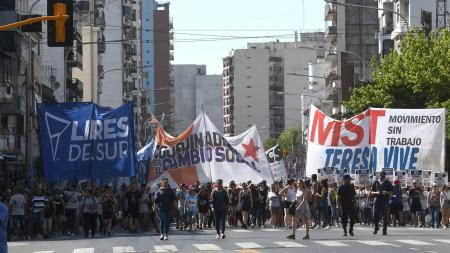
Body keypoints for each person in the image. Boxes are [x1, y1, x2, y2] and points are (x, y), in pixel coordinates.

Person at [370, 171, 393, 235]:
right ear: (379, 175)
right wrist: (377, 193)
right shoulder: (376, 182)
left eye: (383, 175)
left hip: (384, 201)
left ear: (385, 176)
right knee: (375, 215)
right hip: (376, 201)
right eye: (381, 175)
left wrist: (386, 192)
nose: (382, 176)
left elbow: (392, 192)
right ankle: (376, 227)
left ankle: (384, 230)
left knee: (384, 216)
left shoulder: (388, 183)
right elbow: (371, 192)